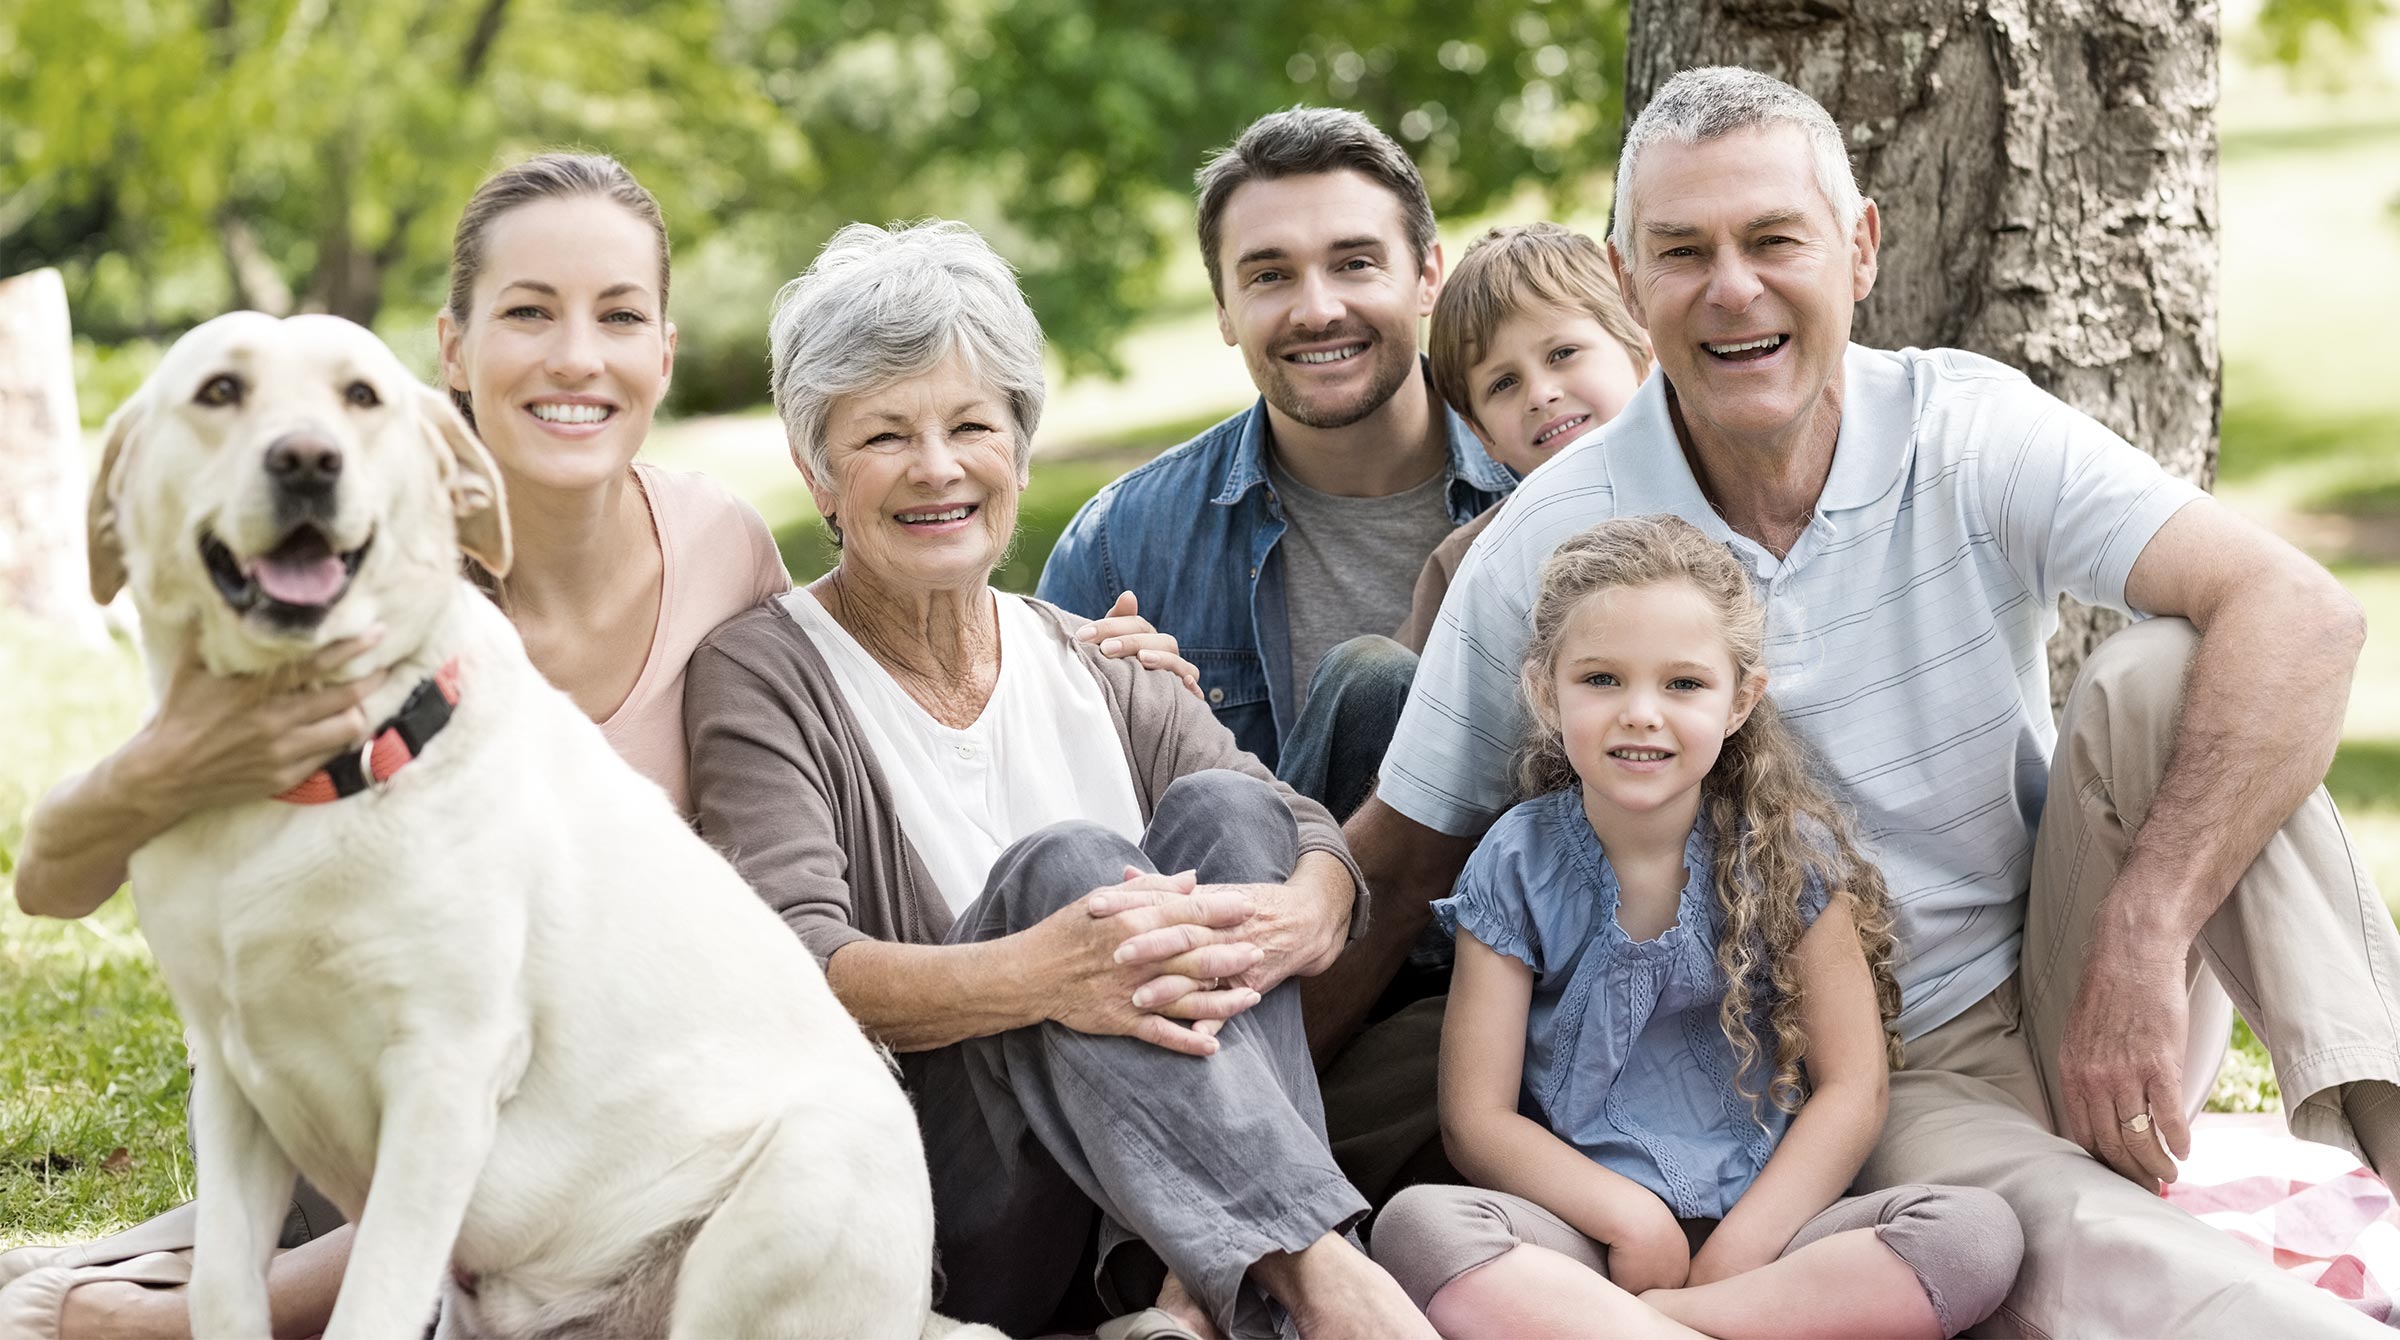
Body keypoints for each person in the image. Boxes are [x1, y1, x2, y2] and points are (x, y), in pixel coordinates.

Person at [0, 153, 1178, 1340]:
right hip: (366, 1120)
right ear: (451, 350)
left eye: (619, 316)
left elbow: (856, 641)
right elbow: (54, 881)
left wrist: (1077, 644)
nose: (576, 355)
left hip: (608, 1132)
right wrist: (172, 768)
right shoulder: (328, 597)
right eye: (528, 313)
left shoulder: (718, 547)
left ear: (664, 350)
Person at [1336, 66, 2400, 1336]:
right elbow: (1396, 871)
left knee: (2178, 669)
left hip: (2077, 971)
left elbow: (2304, 613)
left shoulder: (1962, 426)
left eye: (1774, 239)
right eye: (1683, 251)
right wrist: (1223, 1188)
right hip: (1868, 1070)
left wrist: (2142, 933)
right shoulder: (1553, 542)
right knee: (2072, 1249)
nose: (1733, 288)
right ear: (1628, 283)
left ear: (1858, 248)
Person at [684, 218, 1430, 1340]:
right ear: (818, 471)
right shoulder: (763, 669)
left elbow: (1298, 825)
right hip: (956, 1212)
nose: (938, 466)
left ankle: (1189, 1297)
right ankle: (1319, 1276)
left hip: (1142, 1223)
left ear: (1019, 453)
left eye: (972, 425)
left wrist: (1309, 907)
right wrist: (1039, 970)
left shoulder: (1098, 661)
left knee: (1228, 811)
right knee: (1066, 867)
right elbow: (798, 964)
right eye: (886, 433)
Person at [1369, 516, 2021, 1339]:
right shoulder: (1517, 862)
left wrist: (1728, 1261)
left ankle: (1669, 1325)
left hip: (1770, 1242)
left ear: (1742, 698)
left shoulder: (1792, 857)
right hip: (1585, 1243)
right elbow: (1476, 1120)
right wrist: (1630, 1220)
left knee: (1970, 1238)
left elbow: (1854, 1092)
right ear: (1545, 691)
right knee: (1420, 1231)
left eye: (1683, 685)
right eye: (1602, 679)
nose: (1641, 714)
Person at [1038, 107, 1514, 822]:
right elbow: (1057, 809)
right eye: (1270, 275)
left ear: (1427, 277)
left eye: (1355, 263)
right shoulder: (1119, 548)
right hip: (1262, 919)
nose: (1317, 310)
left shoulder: (1547, 487)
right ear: (1225, 311)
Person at [1397, 222, 1651, 654]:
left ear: (1642, 348)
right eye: (1503, 384)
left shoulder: (1734, 498)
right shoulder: (1467, 565)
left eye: (1562, 354)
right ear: (1481, 434)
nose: (1540, 394)